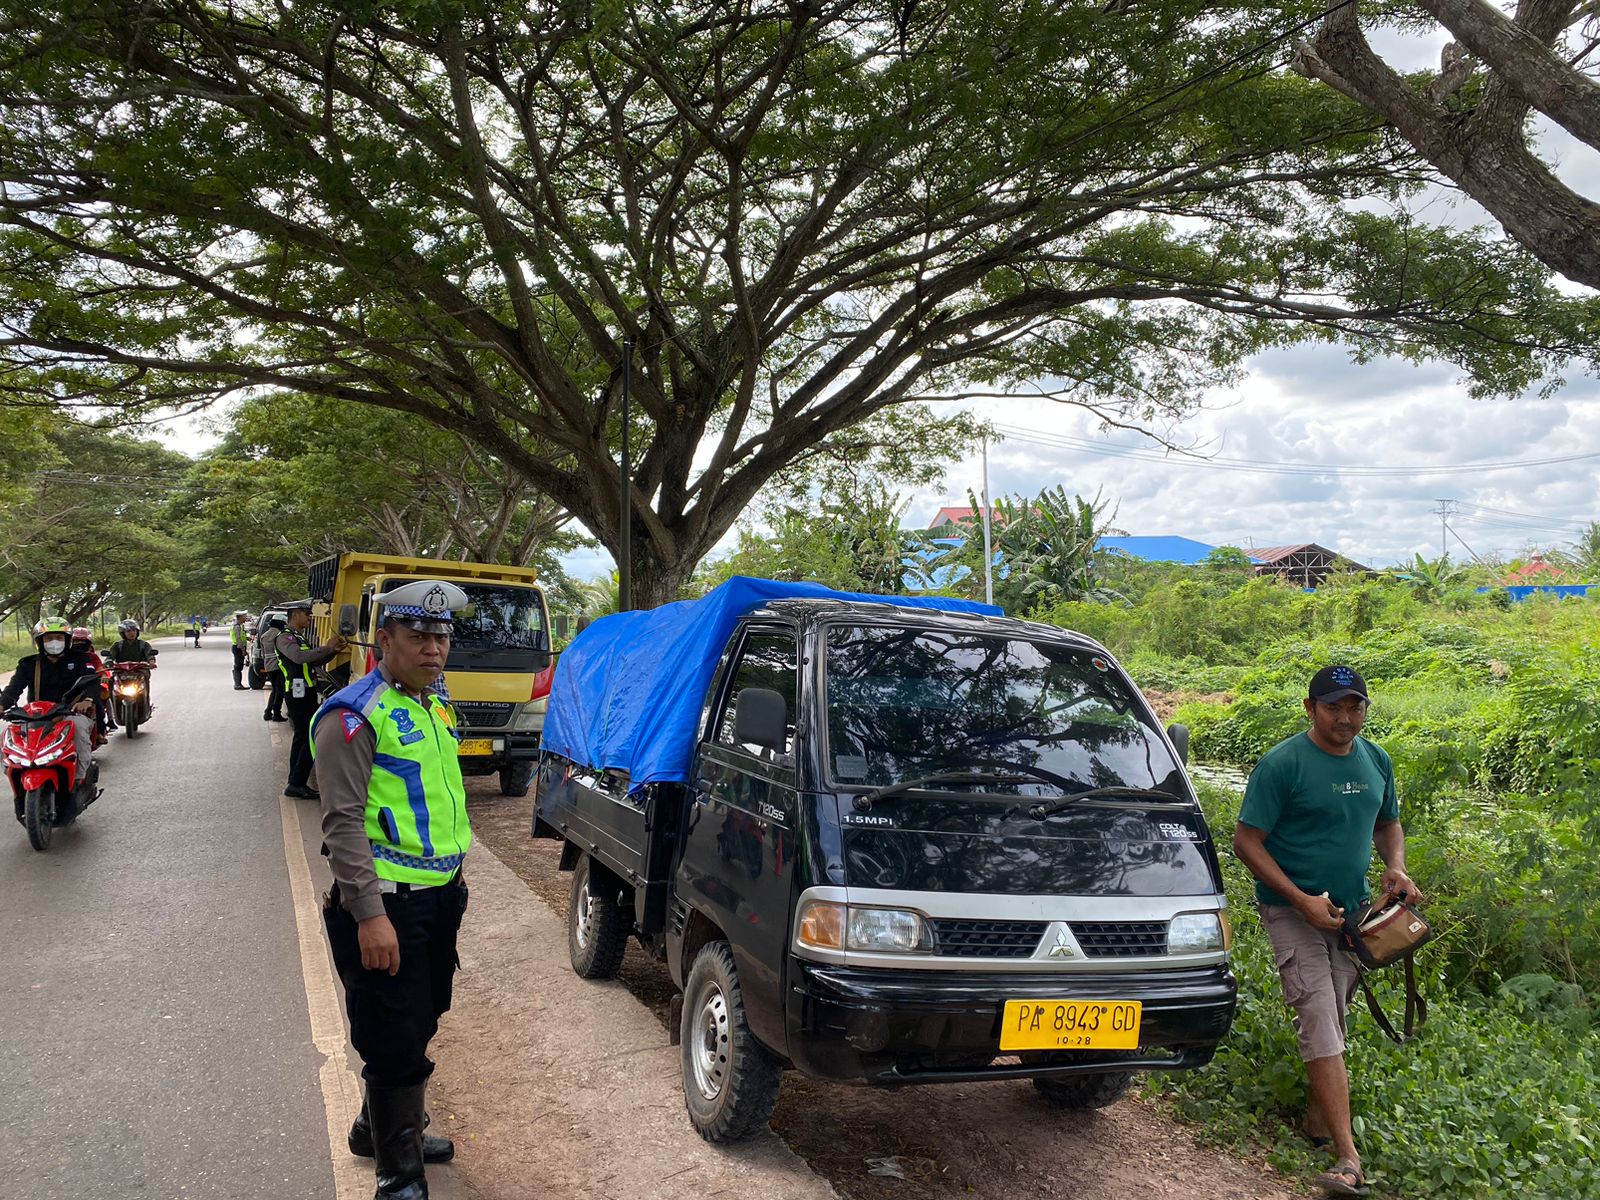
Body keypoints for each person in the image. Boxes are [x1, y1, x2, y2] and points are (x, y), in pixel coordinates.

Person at [1233, 665, 1421, 1199]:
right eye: (1333, 706)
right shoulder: (1283, 764)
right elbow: (1247, 842)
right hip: (1291, 912)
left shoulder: (1375, 759)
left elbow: (1387, 822)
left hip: (1351, 915)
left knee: (1334, 1013)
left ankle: (1318, 1120)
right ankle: (1348, 1158)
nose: (1345, 717)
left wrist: (1396, 866)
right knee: (1318, 1014)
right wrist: (1300, 899)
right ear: (1310, 708)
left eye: (1355, 706)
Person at [312, 580, 472, 1200]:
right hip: (386, 903)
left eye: (441, 637)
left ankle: (375, 1128)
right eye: (418, 636)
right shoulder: (353, 715)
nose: (434, 649)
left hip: (438, 898)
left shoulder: (435, 705)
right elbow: (342, 822)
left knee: (421, 1018)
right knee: (395, 1039)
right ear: (385, 640)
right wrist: (369, 914)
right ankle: (398, 1180)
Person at [0, 620, 99, 778]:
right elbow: (13, 689)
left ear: (67, 640)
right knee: (8, 736)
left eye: (59, 637)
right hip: (37, 716)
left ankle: (80, 778)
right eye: (48, 638)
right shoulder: (29, 664)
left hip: (71, 713)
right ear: (40, 641)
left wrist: (87, 700)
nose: (54, 642)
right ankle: (16, 775)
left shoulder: (81, 660)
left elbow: (93, 682)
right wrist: (2, 705)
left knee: (78, 729)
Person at [276, 600, 346, 800]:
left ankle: (295, 780)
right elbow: (299, 657)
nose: (310, 617)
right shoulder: (285, 637)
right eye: (306, 614)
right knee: (309, 736)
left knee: (301, 736)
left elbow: (313, 661)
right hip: (296, 693)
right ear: (295, 615)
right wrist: (326, 647)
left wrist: (332, 651)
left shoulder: (299, 637)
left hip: (305, 691)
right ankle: (296, 783)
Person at [71, 626, 113, 734]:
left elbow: (100, 668)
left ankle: (100, 732)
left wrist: (103, 676)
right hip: (70, 690)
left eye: (82, 642)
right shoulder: (66, 657)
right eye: (76, 641)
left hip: (89, 688)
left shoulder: (92, 657)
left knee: (99, 705)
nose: (79, 644)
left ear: (88, 643)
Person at [260, 613, 288, 723]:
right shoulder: (279, 634)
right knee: (279, 691)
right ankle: (276, 714)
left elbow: (263, 653)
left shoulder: (264, 635)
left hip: (268, 666)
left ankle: (268, 713)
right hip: (278, 666)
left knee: (275, 690)